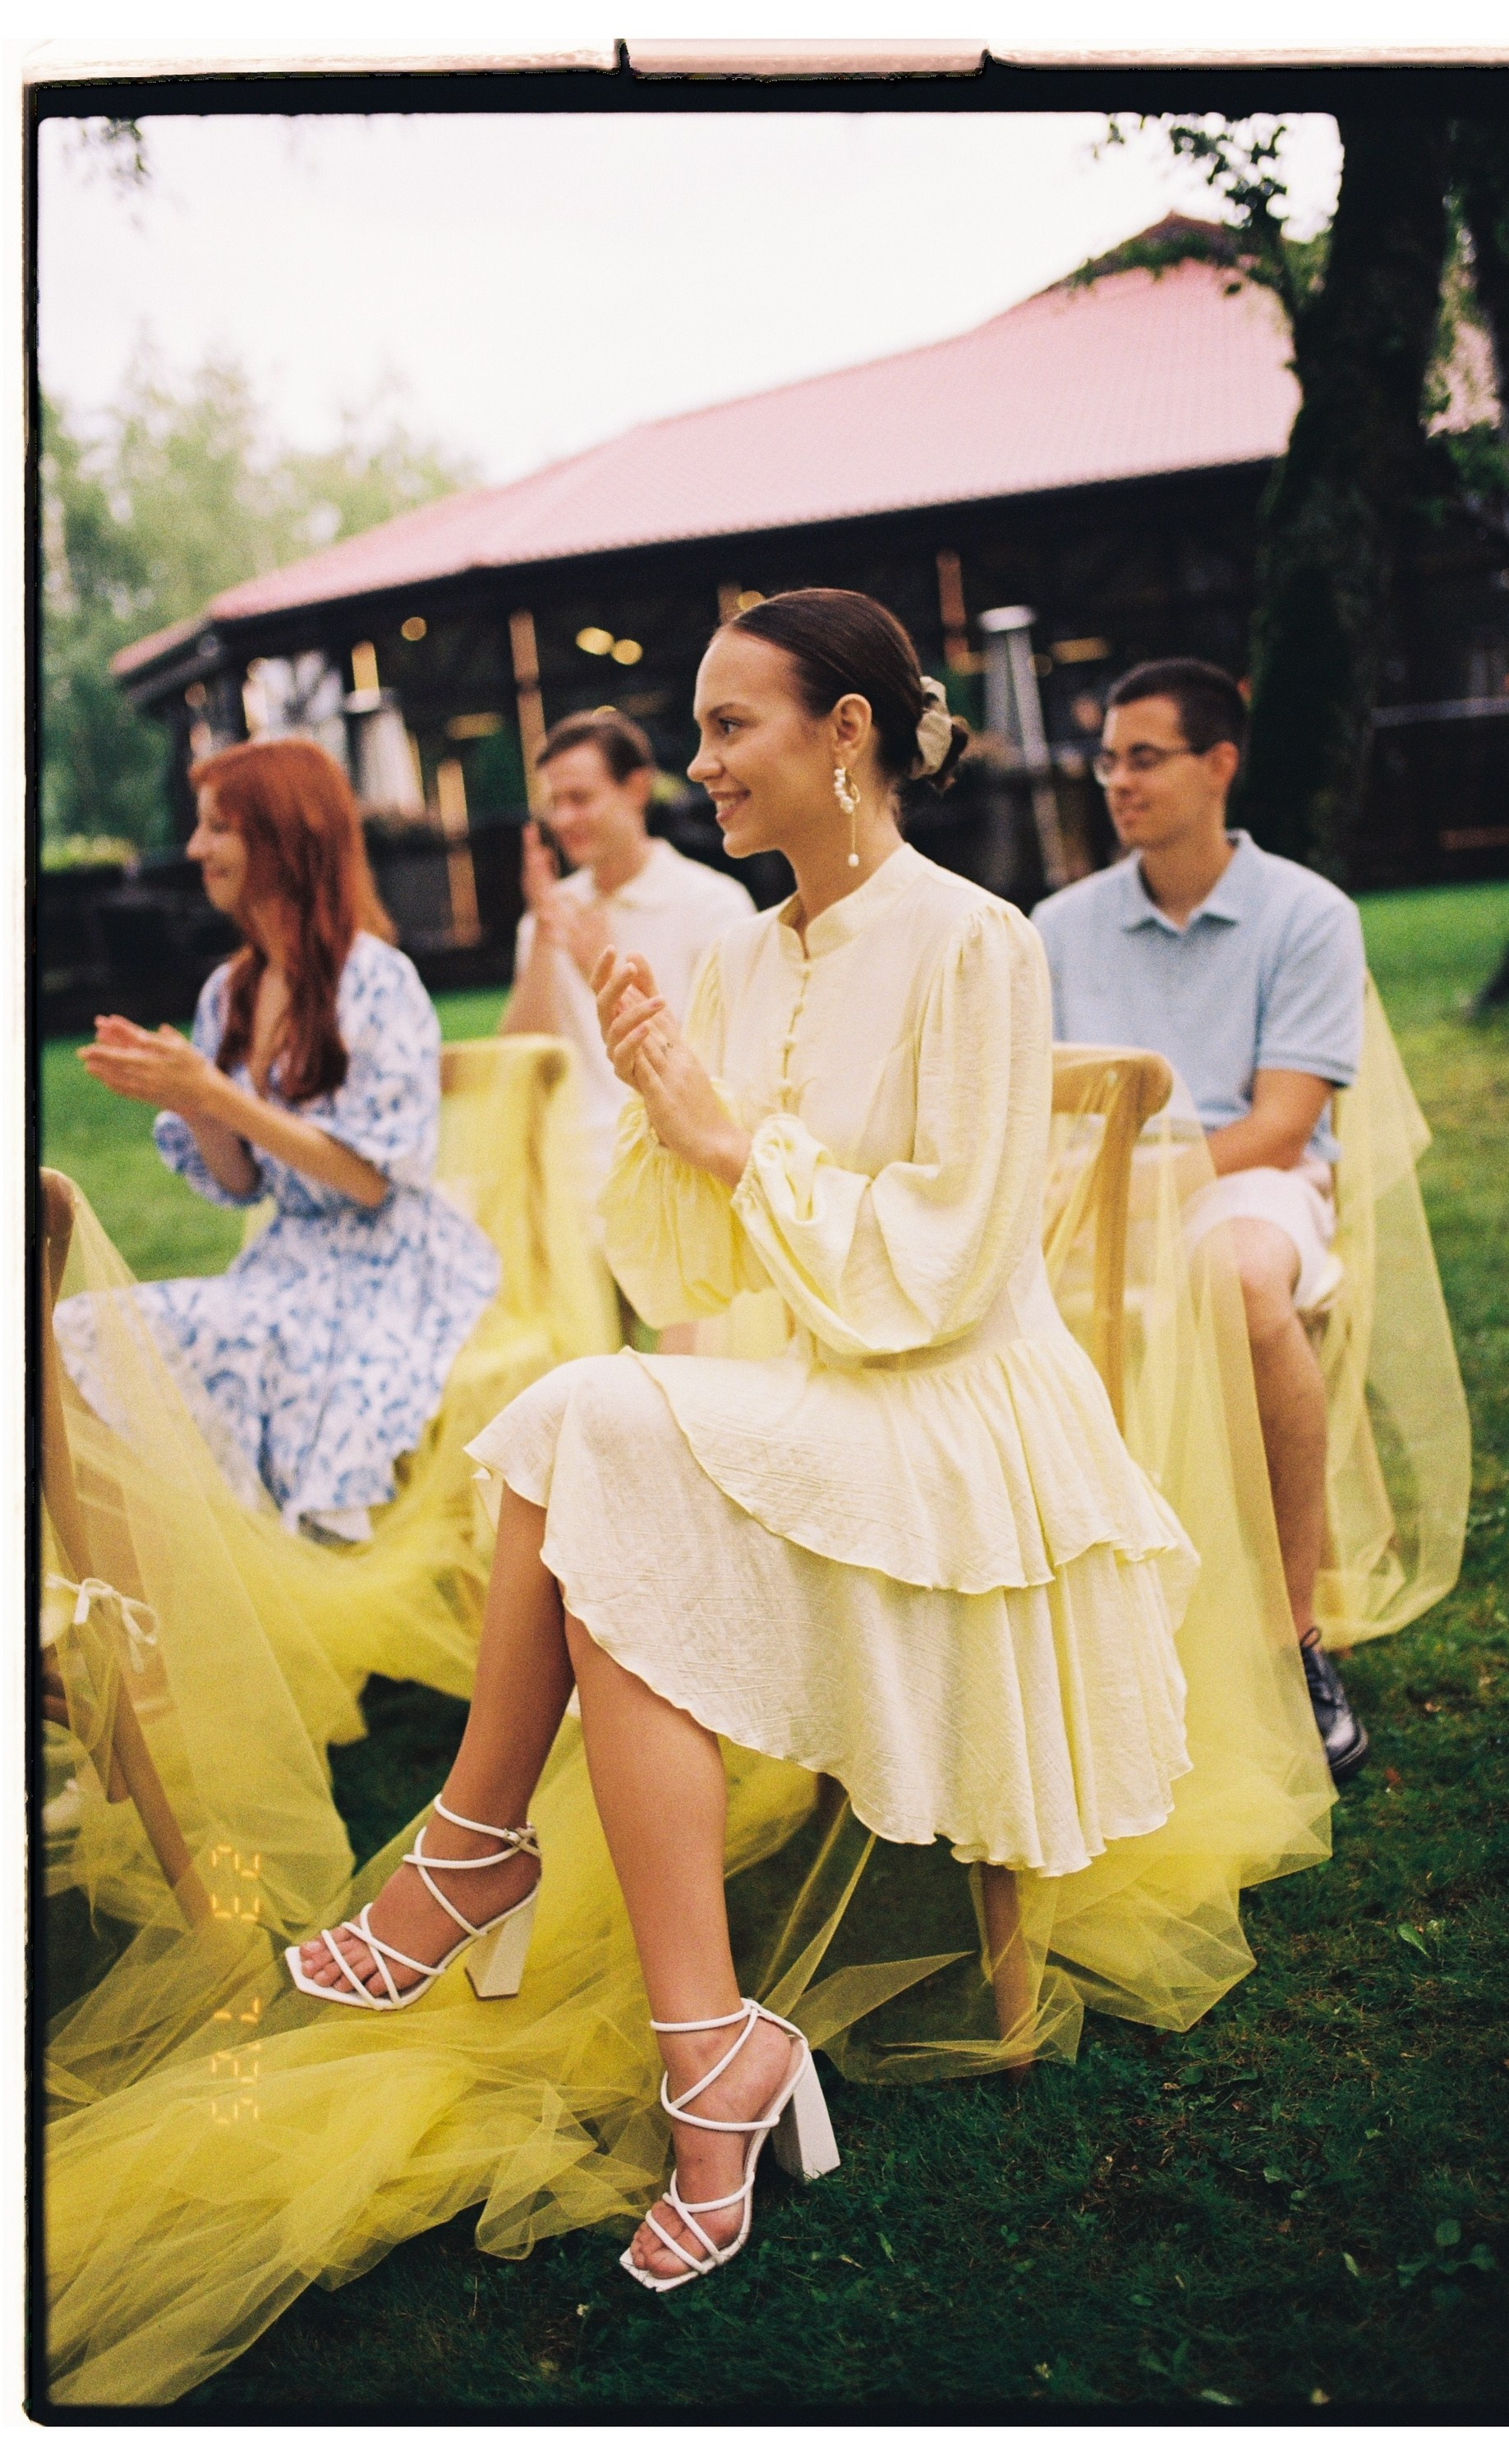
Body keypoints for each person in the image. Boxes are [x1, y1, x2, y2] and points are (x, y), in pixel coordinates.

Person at [289, 589, 1203, 2289]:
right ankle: (706, 2048)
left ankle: (481, 1861)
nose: (697, 762)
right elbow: (691, 1269)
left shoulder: (975, 941)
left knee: (585, 1432)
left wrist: (720, 1138)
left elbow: (937, 1270)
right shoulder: (736, 953)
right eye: (698, 730)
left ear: (844, 734)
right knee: (600, 1465)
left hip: (958, 1415)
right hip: (815, 1389)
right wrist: (663, 1104)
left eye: (728, 727)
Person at [1033, 658, 1371, 1782]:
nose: (1116, 782)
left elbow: (1281, 1124)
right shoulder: (1057, 926)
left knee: (1234, 1277)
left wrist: (1129, 1194)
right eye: (1107, 759)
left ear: (1217, 764)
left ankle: (1291, 1638)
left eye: (1144, 757)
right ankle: (1059, 1646)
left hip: (1246, 1180)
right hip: (1083, 1185)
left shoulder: (1305, 913)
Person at [64, 737, 499, 1544]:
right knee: (83, 1328)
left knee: (279, 1366)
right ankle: (173, 1558)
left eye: (217, 827)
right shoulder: (230, 990)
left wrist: (213, 1090)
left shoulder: (378, 980)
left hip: (392, 1273)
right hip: (286, 1262)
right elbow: (241, 1185)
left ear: (285, 837)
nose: (196, 848)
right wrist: (191, 1103)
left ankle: (302, 1560)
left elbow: (373, 1182)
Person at [499, 707, 755, 1191]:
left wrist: (602, 965)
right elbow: (520, 1063)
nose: (563, 818)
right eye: (555, 803)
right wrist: (544, 936)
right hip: (568, 1172)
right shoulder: (548, 914)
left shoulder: (713, 905)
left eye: (579, 798)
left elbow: (722, 1070)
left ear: (636, 789)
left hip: (675, 1162)